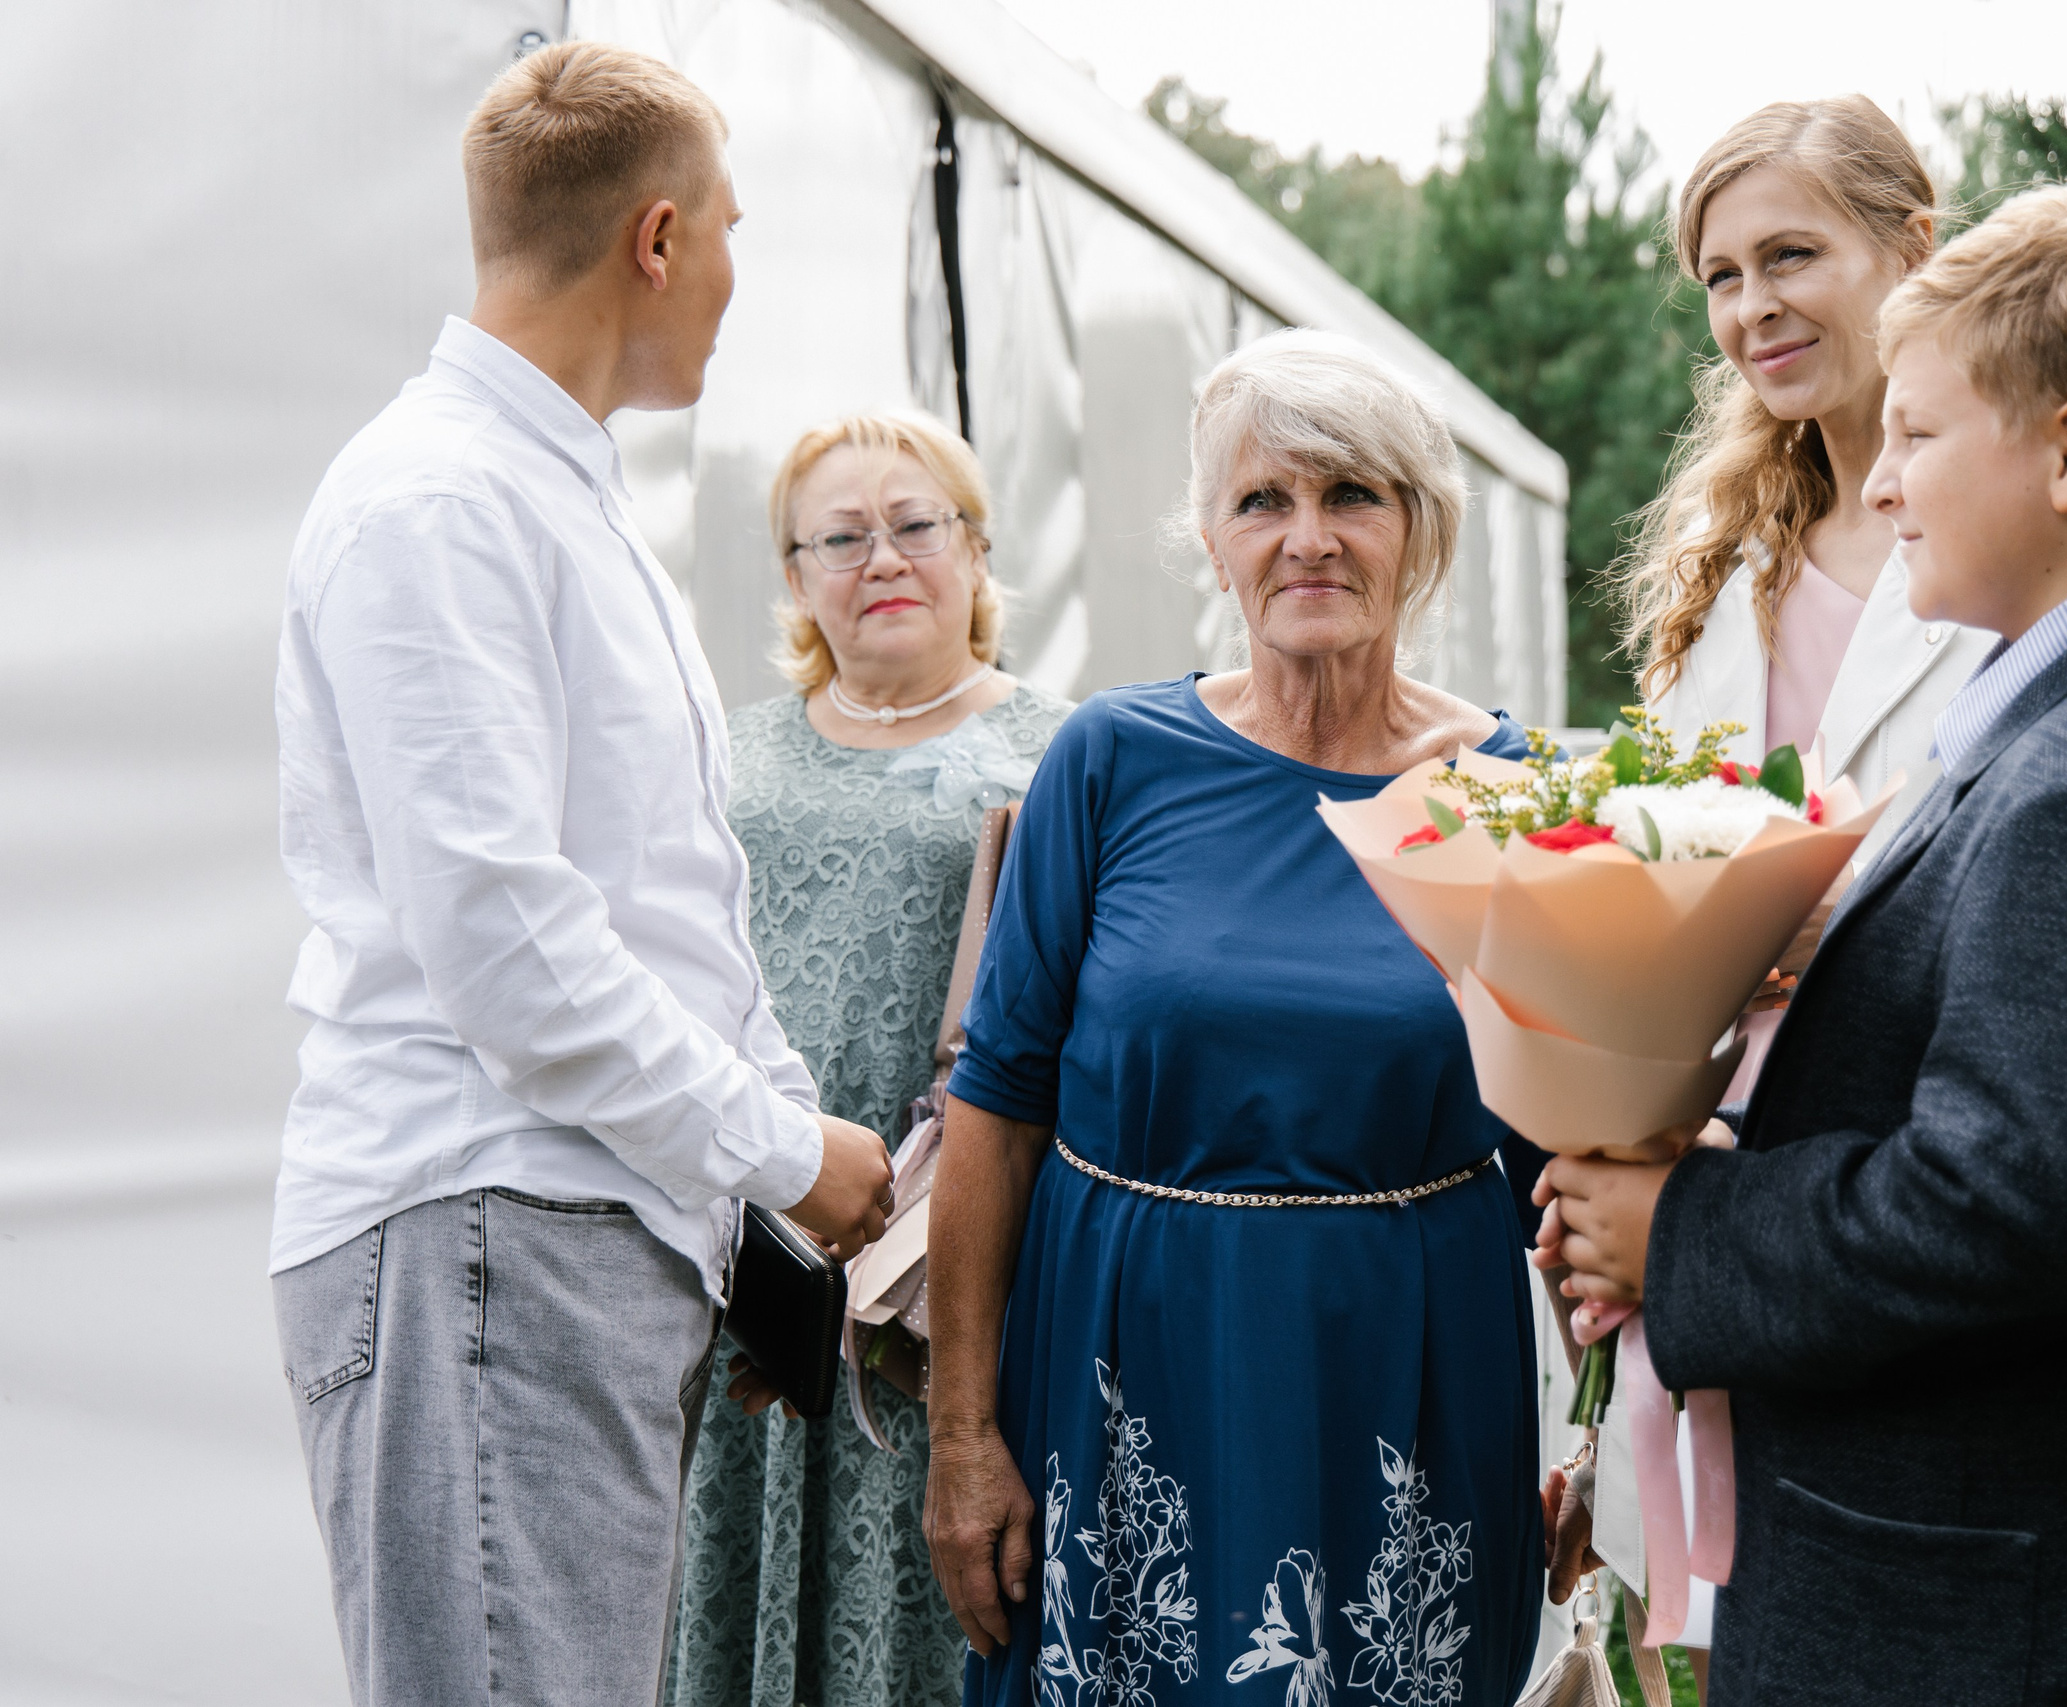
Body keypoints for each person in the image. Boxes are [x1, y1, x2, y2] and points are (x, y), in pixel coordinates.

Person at [1539, 186, 2067, 1703]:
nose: (1881, 484)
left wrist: (1684, 1233)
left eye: (1917, 436)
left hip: (2037, 1611)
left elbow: (2014, 1215)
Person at [269, 44, 893, 1707]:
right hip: (487, 1222)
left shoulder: (553, 497)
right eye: (734, 232)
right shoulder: (439, 501)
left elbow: (662, 911)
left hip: (558, 1237)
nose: (738, 278)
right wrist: (783, 1153)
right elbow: (505, 945)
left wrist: (760, 1204)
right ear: (659, 237)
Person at [922, 330, 1548, 1707]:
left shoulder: (1510, 789)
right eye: (1264, 500)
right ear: (1212, 542)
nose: (1307, 538)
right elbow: (998, 1106)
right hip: (1126, 1372)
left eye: (1352, 495)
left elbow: (1566, 1145)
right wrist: (961, 1436)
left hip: (1403, 1379)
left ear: (1421, 530)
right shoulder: (1110, 760)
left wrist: (1617, 1442)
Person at [664, 412, 1072, 1706]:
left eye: (914, 525)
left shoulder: (1067, 752)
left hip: (946, 1266)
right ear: (795, 578)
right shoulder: (726, 753)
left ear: (976, 549)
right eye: (840, 537)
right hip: (757, 1247)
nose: (882, 558)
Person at [1618, 96, 1997, 1107]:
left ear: (1913, 248)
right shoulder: (1716, 565)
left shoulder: (2016, 549)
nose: (1753, 308)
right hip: (1707, 1116)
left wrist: (1816, 929)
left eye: (1789, 256)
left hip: (1915, 1120)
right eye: (1722, 277)